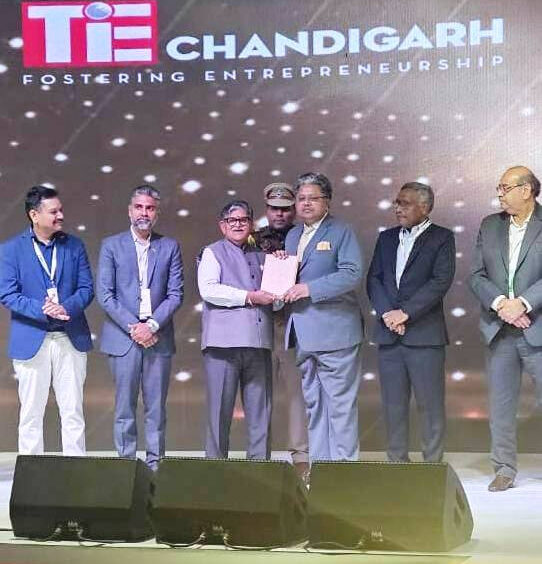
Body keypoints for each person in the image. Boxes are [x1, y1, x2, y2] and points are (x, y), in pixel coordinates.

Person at [0, 185, 93, 455]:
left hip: (70, 337)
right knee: (31, 413)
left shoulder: (74, 245)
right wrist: (43, 308)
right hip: (31, 338)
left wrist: (64, 307)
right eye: (53, 212)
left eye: (60, 210)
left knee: (73, 411)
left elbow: (86, 288)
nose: (60, 215)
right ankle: (32, 473)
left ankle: (76, 470)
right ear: (34, 215)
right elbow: (8, 294)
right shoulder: (10, 250)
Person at [367, 182, 456, 463]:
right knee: (393, 407)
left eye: (405, 203)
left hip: (424, 337)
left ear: (425, 207)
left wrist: (405, 313)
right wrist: (388, 314)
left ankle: (432, 467)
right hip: (389, 336)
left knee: (430, 407)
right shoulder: (386, 238)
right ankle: (397, 465)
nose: (398, 208)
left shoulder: (442, 237)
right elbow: (374, 279)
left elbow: (440, 281)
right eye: (397, 202)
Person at [96, 185, 183, 471]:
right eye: (139, 207)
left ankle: (155, 466)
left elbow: (175, 294)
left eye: (150, 208)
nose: (144, 213)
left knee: (156, 408)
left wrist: (152, 325)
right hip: (124, 338)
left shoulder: (169, 246)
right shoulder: (111, 245)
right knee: (124, 408)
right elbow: (105, 295)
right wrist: (135, 328)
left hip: (158, 337)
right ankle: (126, 467)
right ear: (129, 211)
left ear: (157, 213)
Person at [283, 172, 364, 465]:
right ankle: (320, 469)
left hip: (335, 332)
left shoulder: (341, 231)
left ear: (327, 201)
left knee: (340, 407)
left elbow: (352, 273)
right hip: (303, 333)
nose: (305, 204)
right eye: (301, 198)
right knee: (314, 406)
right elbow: (289, 279)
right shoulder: (293, 235)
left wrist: (310, 289)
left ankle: (344, 473)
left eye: (313, 198)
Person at [470, 166, 542, 492]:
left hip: (537, 327)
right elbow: (476, 275)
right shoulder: (490, 225)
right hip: (499, 329)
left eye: (505, 188)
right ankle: (503, 469)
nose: (499, 194)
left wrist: (523, 304)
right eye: (499, 188)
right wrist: (502, 305)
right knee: (501, 406)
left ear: (526, 190)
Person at [198, 200, 274, 460]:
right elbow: (209, 290)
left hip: (259, 344)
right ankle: (215, 472)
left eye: (244, 220)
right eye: (233, 220)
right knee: (219, 414)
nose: (238, 225)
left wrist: (282, 269)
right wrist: (249, 297)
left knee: (261, 414)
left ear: (251, 224)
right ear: (223, 225)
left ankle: (260, 471)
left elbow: (276, 292)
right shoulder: (212, 252)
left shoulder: (263, 254)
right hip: (223, 345)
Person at [253, 182, 309, 478]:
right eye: (274, 208)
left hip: (292, 323)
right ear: (267, 209)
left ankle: (301, 457)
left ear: (294, 210)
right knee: (258, 394)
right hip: (259, 324)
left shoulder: (304, 237)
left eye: (286, 209)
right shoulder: (252, 239)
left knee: (297, 394)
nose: (280, 214)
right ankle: (259, 457)